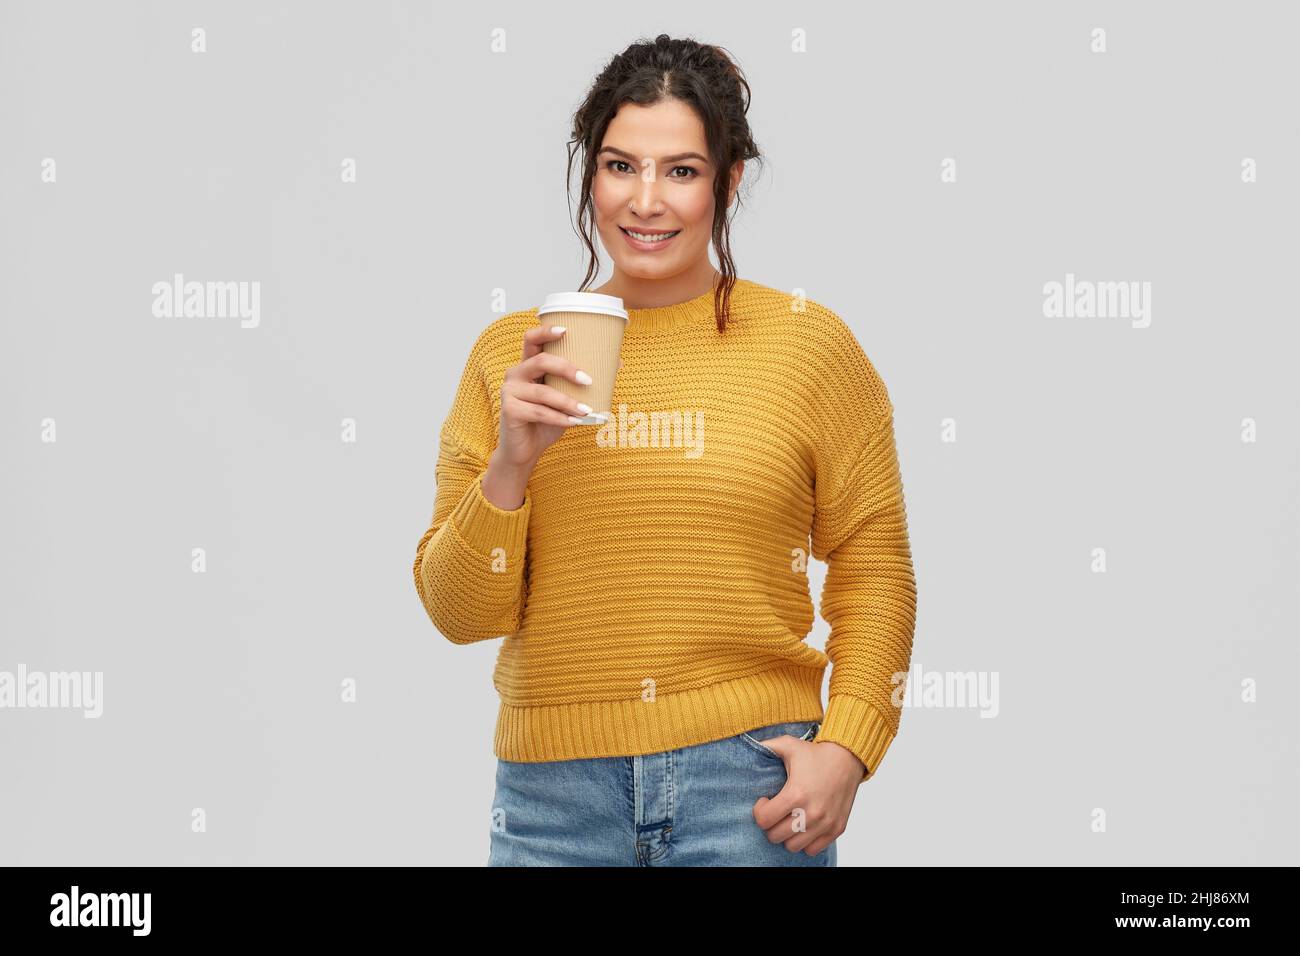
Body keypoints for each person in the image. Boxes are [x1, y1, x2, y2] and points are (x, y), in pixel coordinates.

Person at [412, 34, 918, 866]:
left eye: (681, 171)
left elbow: (876, 565)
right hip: (551, 804)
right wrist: (512, 464)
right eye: (621, 166)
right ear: (591, 174)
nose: (646, 200)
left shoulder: (807, 347)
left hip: (749, 788)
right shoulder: (515, 354)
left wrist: (850, 748)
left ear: (728, 181)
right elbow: (460, 616)